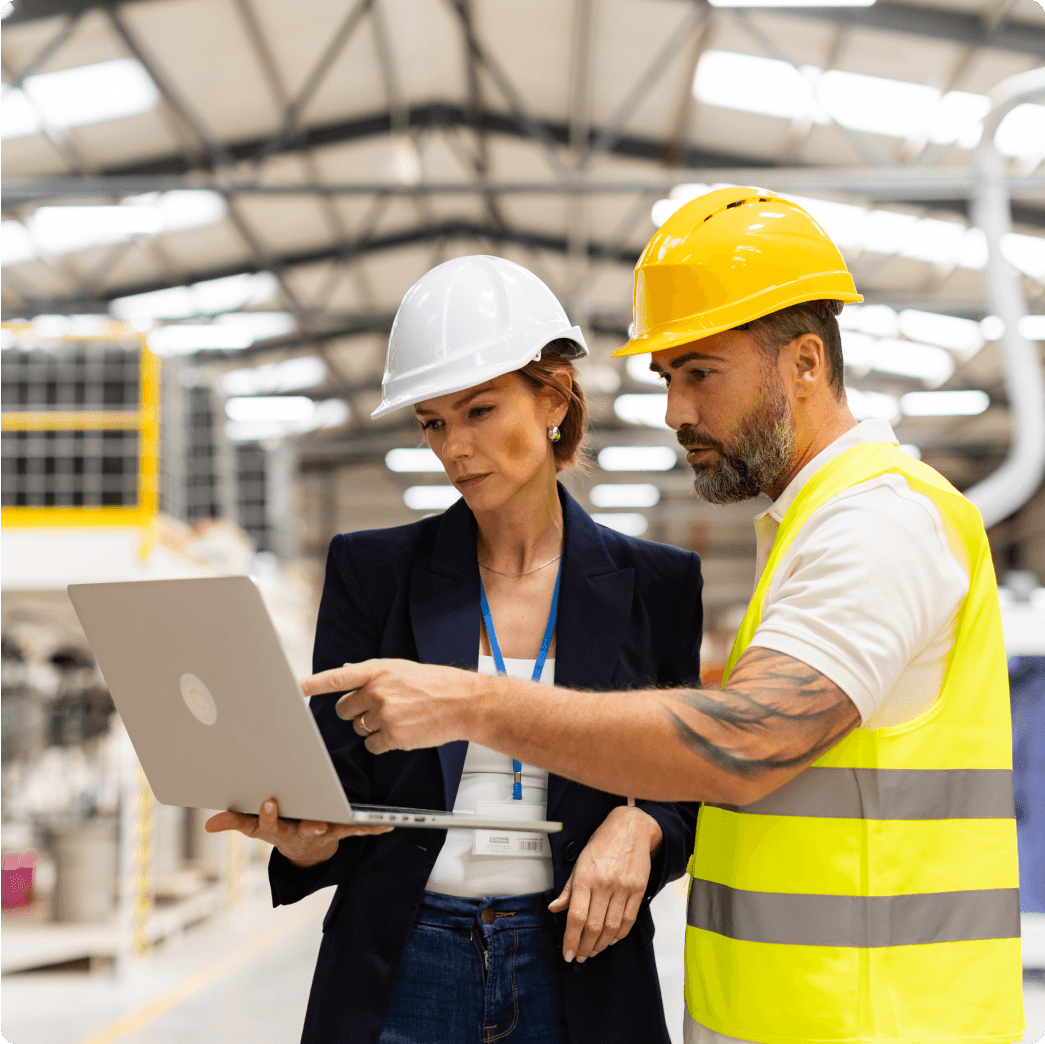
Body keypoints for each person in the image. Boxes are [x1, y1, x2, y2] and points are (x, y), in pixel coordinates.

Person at [308, 191, 1024, 1044]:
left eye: (700, 374)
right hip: (799, 1007)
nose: (674, 413)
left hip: (870, 1016)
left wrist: (475, 705)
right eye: (667, 379)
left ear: (803, 362)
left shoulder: (876, 524)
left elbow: (744, 739)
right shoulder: (806, 527)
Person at [208, 255, 703, 1044]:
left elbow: (683, 780)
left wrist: (640, 826)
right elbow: (336, 776)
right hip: (403, 962)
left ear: (552, 398)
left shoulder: (656, 583)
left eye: (478, 410)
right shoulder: (372, 571)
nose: (453, 448)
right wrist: (305, 842)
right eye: (434, 421)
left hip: (578, 960)